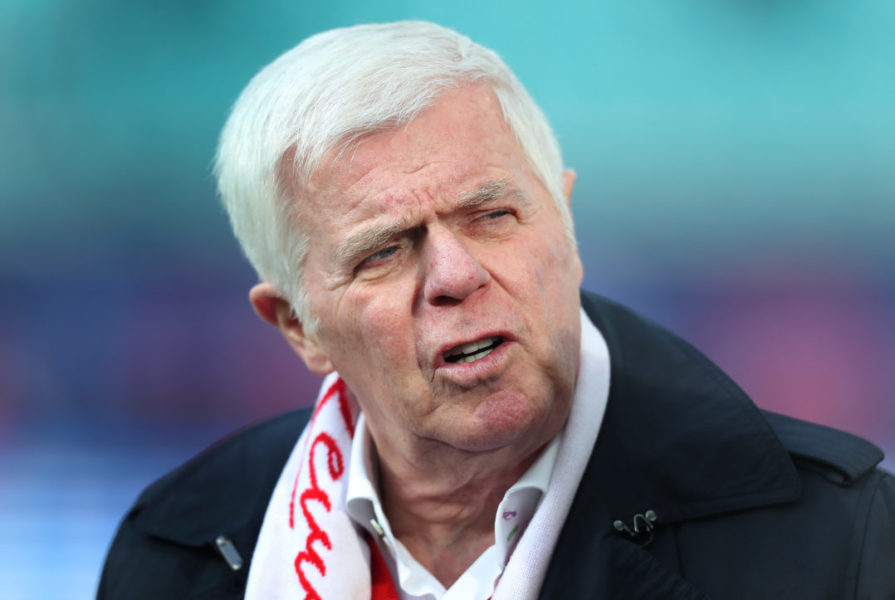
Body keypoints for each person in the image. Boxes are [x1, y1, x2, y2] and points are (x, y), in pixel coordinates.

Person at [98, 21, 895, 600]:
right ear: (299, 326)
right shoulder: (180, 550)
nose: (455, 275)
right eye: (384, 251)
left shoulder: (835, 542)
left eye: (491, 216)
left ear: (566, 227)